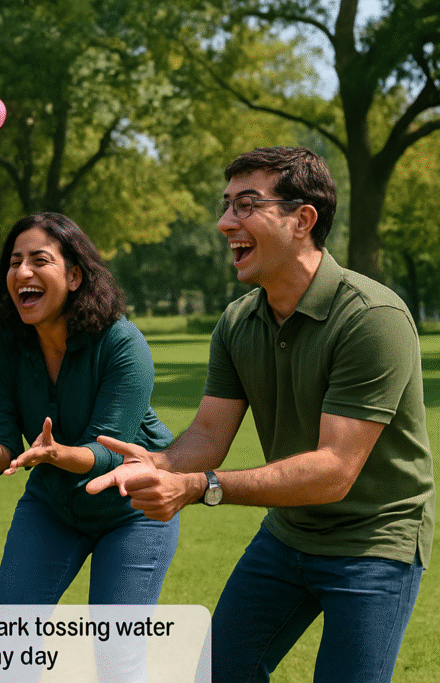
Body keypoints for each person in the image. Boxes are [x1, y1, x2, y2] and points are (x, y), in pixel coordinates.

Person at [87, 146, 434, 682]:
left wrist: (202, 487)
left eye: (246, 205)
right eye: (226, 205)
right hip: (290, 534)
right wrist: (159, 464)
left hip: (374, 540)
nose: (225, 223)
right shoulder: (238, 322)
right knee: (221, 669)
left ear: (303, 219)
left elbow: (335, 471)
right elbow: (206, 435)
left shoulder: (372, 319)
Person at [0, 212, 179, 607]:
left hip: (133, 508)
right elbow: (7, 452)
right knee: (5, 651)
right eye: (14, 263)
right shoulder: (2, 345)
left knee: (117, 654)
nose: (22, 272)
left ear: (74, 277)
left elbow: (109, 453)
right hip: (53, 506)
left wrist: (54, 454)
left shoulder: (121, 343)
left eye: (40, 260)